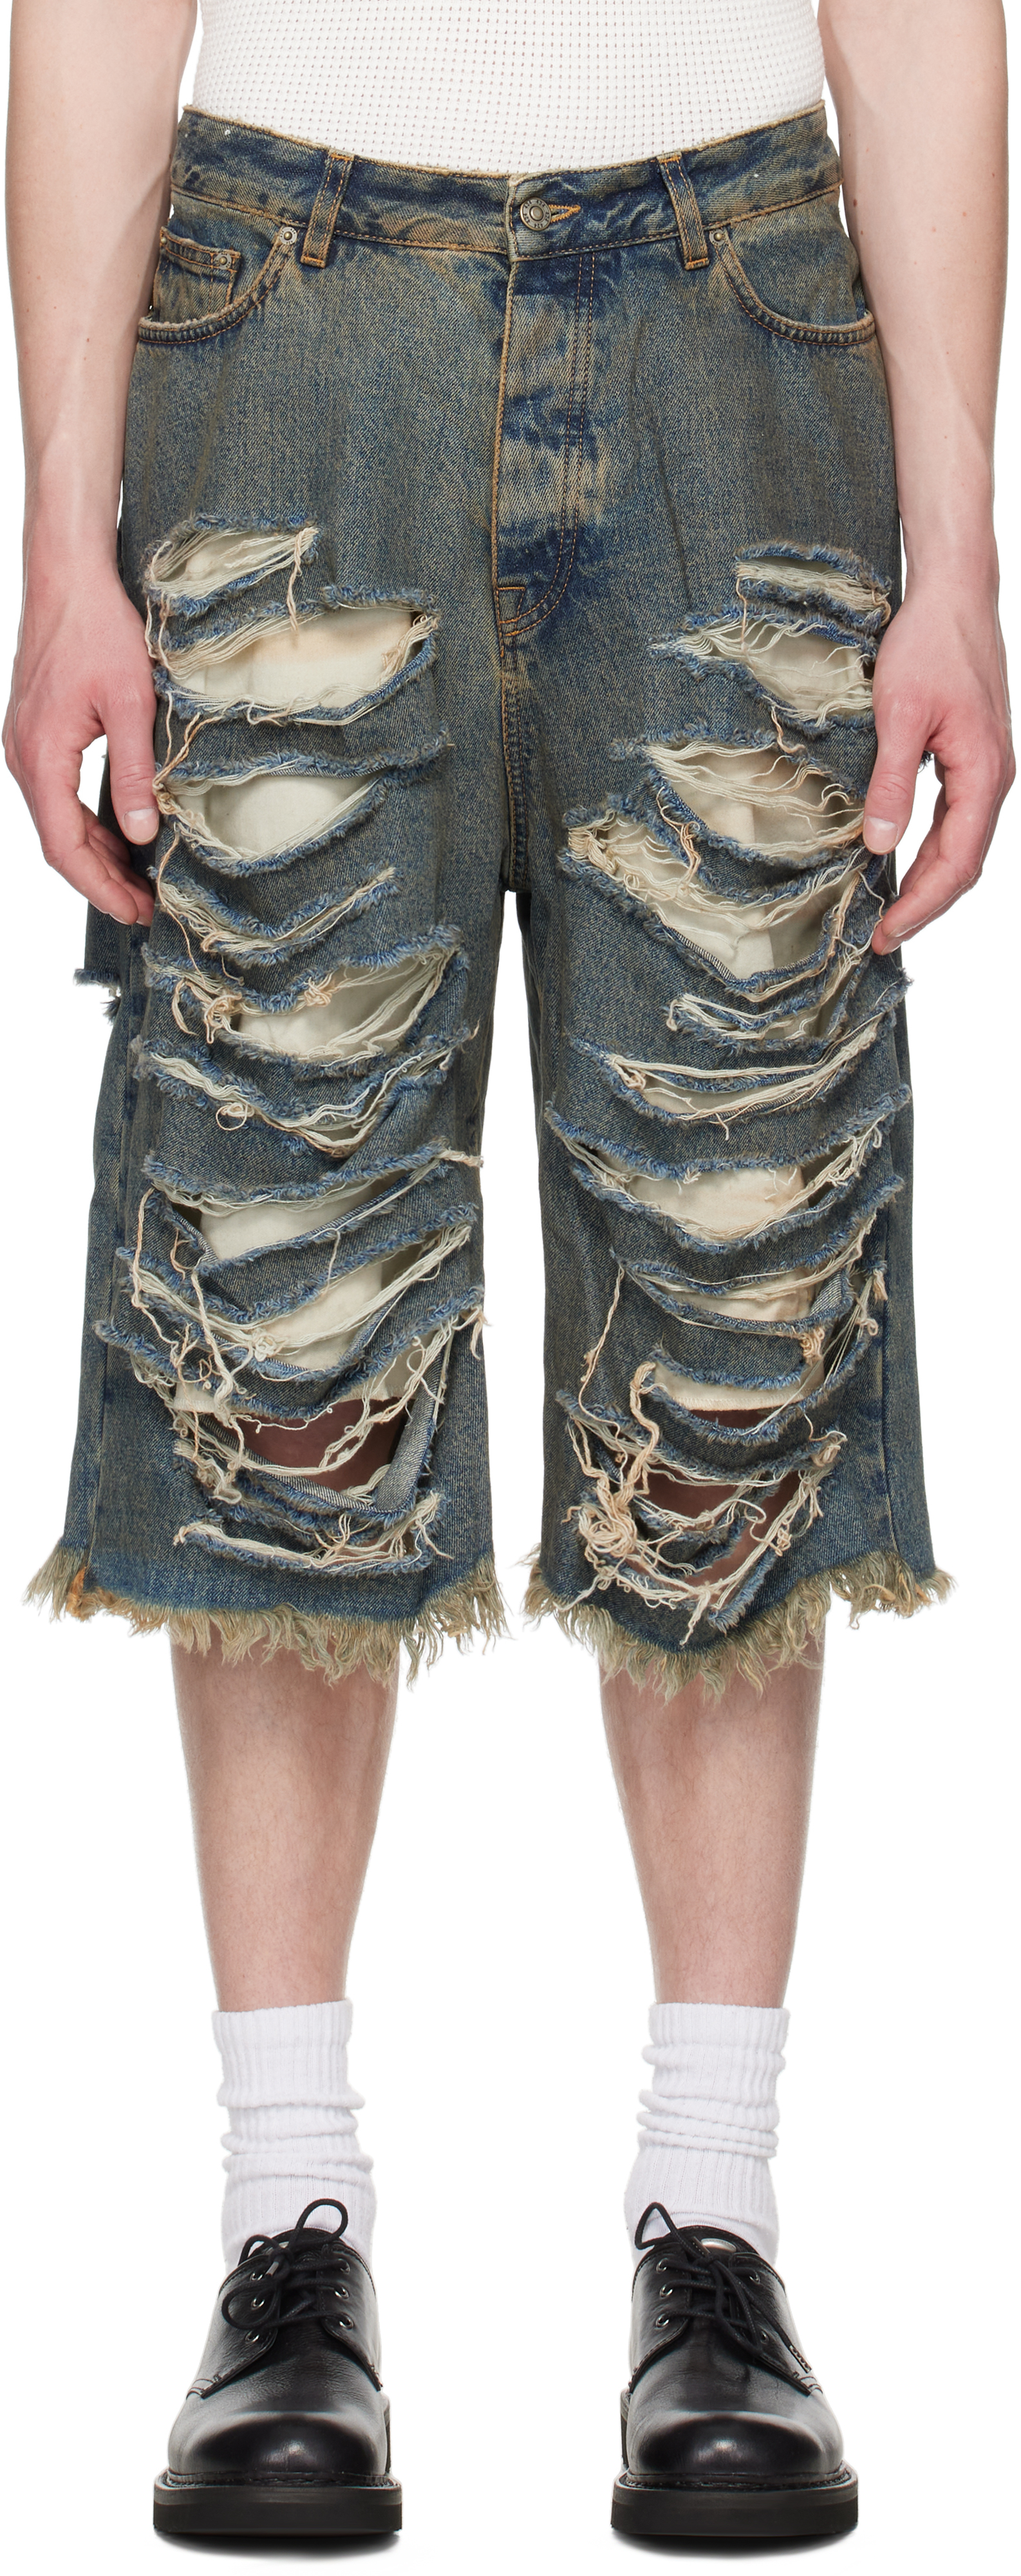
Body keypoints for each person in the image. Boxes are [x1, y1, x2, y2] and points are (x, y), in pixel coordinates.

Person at [5, 0, 1012, 2544]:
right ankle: (285, 2233)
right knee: (285, 1295)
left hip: (741, 315)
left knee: (730, 1280)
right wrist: (60, 532)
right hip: (280, 319)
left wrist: (959, 549)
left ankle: (713, 2227)